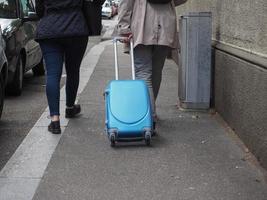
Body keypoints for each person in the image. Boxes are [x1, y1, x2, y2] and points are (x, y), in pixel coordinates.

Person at [117, 0, 187, 128]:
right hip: (166, 24)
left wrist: (124, 27)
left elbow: (126, 2)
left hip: (142, 24)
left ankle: (148, 116)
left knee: (143, 73)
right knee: (156, 71)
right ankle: (150, 111)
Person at [35, 0, 89, 134]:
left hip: (50, 29)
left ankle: (54, 120)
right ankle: (70, 107)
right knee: (73, 70)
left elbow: (39, 10)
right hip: (75, 28)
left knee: (52, 74)